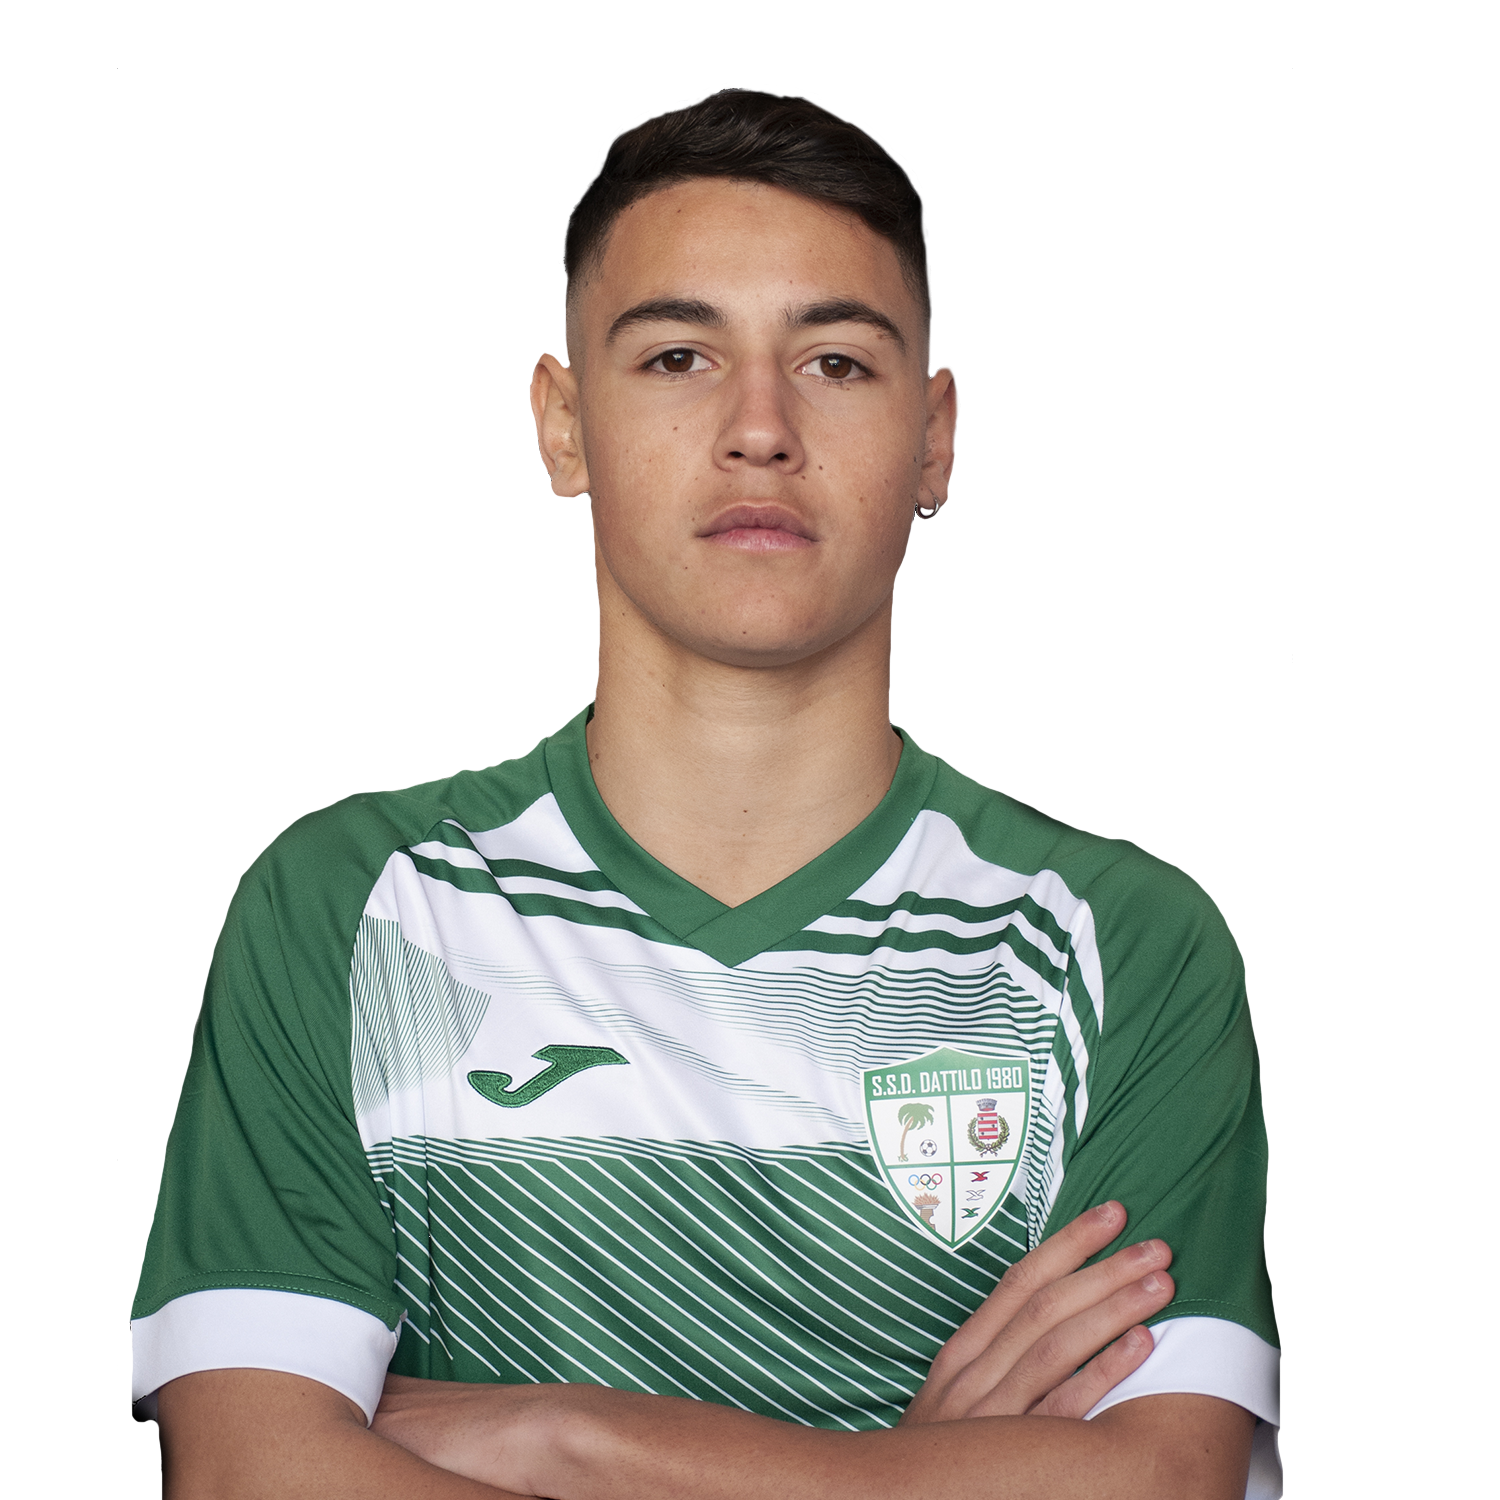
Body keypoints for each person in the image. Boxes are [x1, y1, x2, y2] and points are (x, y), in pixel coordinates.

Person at [127, 88, 1286, 1498]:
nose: (759, 428)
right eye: (678, 355)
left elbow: (1161, 1485)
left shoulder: (1130, 942)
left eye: (836, 363)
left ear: (935, 440)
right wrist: (906, 1477)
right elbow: (252, 1481)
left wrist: (565, 1435)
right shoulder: (347, 905)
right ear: (564, 426)